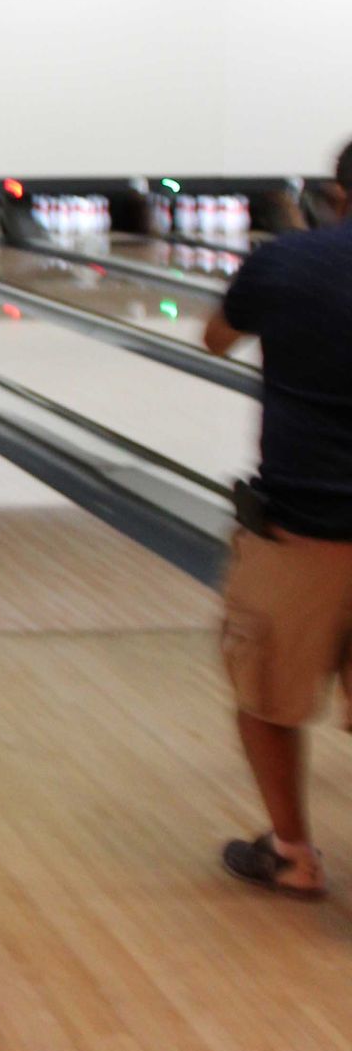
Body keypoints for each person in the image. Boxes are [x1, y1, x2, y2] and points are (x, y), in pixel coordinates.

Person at [206, 141, 352, 897]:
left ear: (338, 190)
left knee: (266, 694)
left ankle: (294, 855)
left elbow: (216, 337)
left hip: (304, 532)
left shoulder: (286, 262)